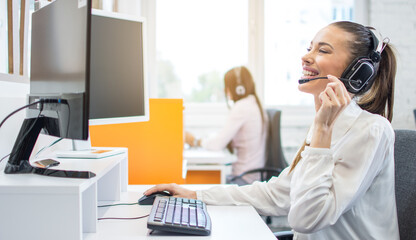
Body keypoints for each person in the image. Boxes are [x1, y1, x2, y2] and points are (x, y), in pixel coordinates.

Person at [145, 21, 399, 239]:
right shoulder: (322, 126)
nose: (306, 56)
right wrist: (195, 193)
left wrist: (322, 129)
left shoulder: (371, 131)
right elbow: (279, 193)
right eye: (309, 47)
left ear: (358, 72)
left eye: (323, 50)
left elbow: (305, 219)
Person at [185, 66, 268, 184]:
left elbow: (217, 144)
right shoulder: (253, 103)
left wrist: (195, 141)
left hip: (244, 179)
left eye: (227, 86)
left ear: (239, 88)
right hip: (253, 177)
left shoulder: (242, 107)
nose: (225, 90)